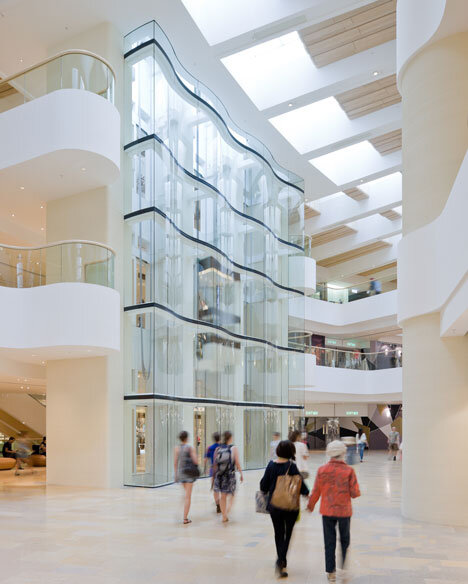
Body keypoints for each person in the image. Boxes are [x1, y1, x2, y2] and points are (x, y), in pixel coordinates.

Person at [308, 440, 361, 583]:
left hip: (327, 511)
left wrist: (310, 505)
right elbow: (355, 493)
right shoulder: (349, 471)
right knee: (344, 540)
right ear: (343, 453)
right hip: (344, 511)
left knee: (329, 541)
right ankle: (343, 568)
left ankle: (330, 572)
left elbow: (316, 491)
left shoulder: (321, 470)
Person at [260, 440, 310, 578]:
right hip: (290, 507)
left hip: (274, 506)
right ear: (290, 452)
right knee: (288, 534)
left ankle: (281, 560)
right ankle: (281, 560)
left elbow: (263, 486)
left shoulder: (271, 465)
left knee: (278, 533)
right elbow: (302, 486)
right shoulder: (292, 466)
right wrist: (307, 495)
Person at [212, 431, 243, 523]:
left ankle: (224, 516)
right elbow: (237, 463)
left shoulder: (218, 448)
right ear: (230, 438)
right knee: (232, 494)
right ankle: (227, 512)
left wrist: (214, 476)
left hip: (220, 475)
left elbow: (215, 463)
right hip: (230, 475)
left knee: (223, 496)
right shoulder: (234, 448)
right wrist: (241, 473)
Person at [174, 431, 199, 525]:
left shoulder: (176, 448)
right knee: (188, 496)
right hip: (189, 474)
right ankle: (185, 518)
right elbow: (195, 461)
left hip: (181, 473)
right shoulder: (190, 448)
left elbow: (175, 462)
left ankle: (184, 513)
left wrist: (176, 474)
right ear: (187, 438)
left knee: (186, 495)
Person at [204, 431, 221, 513]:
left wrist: (206, 468)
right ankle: (221, 502)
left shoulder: (209, 448)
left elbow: (205, 460)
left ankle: (218, 504)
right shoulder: (223, 447)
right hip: (222, 469)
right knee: (222, 487)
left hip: (213, 469)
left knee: (215, 488)